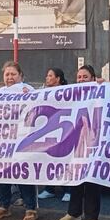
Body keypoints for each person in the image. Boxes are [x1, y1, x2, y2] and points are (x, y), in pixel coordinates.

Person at [0, 62, 39, 220]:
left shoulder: (29, 90)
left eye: (13, 74)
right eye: (7, 75)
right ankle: (4, 206)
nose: (10, 78)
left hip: (23, 140)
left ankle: (30, 208)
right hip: (3, 141)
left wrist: (30, 97)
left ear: (21, 76)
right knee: (3, 174)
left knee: (23, 174)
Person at [58, 65, 103, 220]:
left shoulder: (100, 91)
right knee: (75, 178)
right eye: (79, 77)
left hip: (93, 142)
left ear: (93, 78)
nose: (81, 80)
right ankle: (74, 212)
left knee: (91, 181)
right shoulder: (71, 93)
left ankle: (92, 218)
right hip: (76, 142)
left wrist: (103, 84)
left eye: (85, 77)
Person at [38, 68, 70, 202]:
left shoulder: (69, 92)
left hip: (65, 131)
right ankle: (49, 188)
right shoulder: (43, 91)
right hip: (49, 131)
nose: (47, 78)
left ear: (58, 79)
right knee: (49, 159)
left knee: (64, 161)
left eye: (50, 76)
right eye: (47, 75)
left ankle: (68, 190)